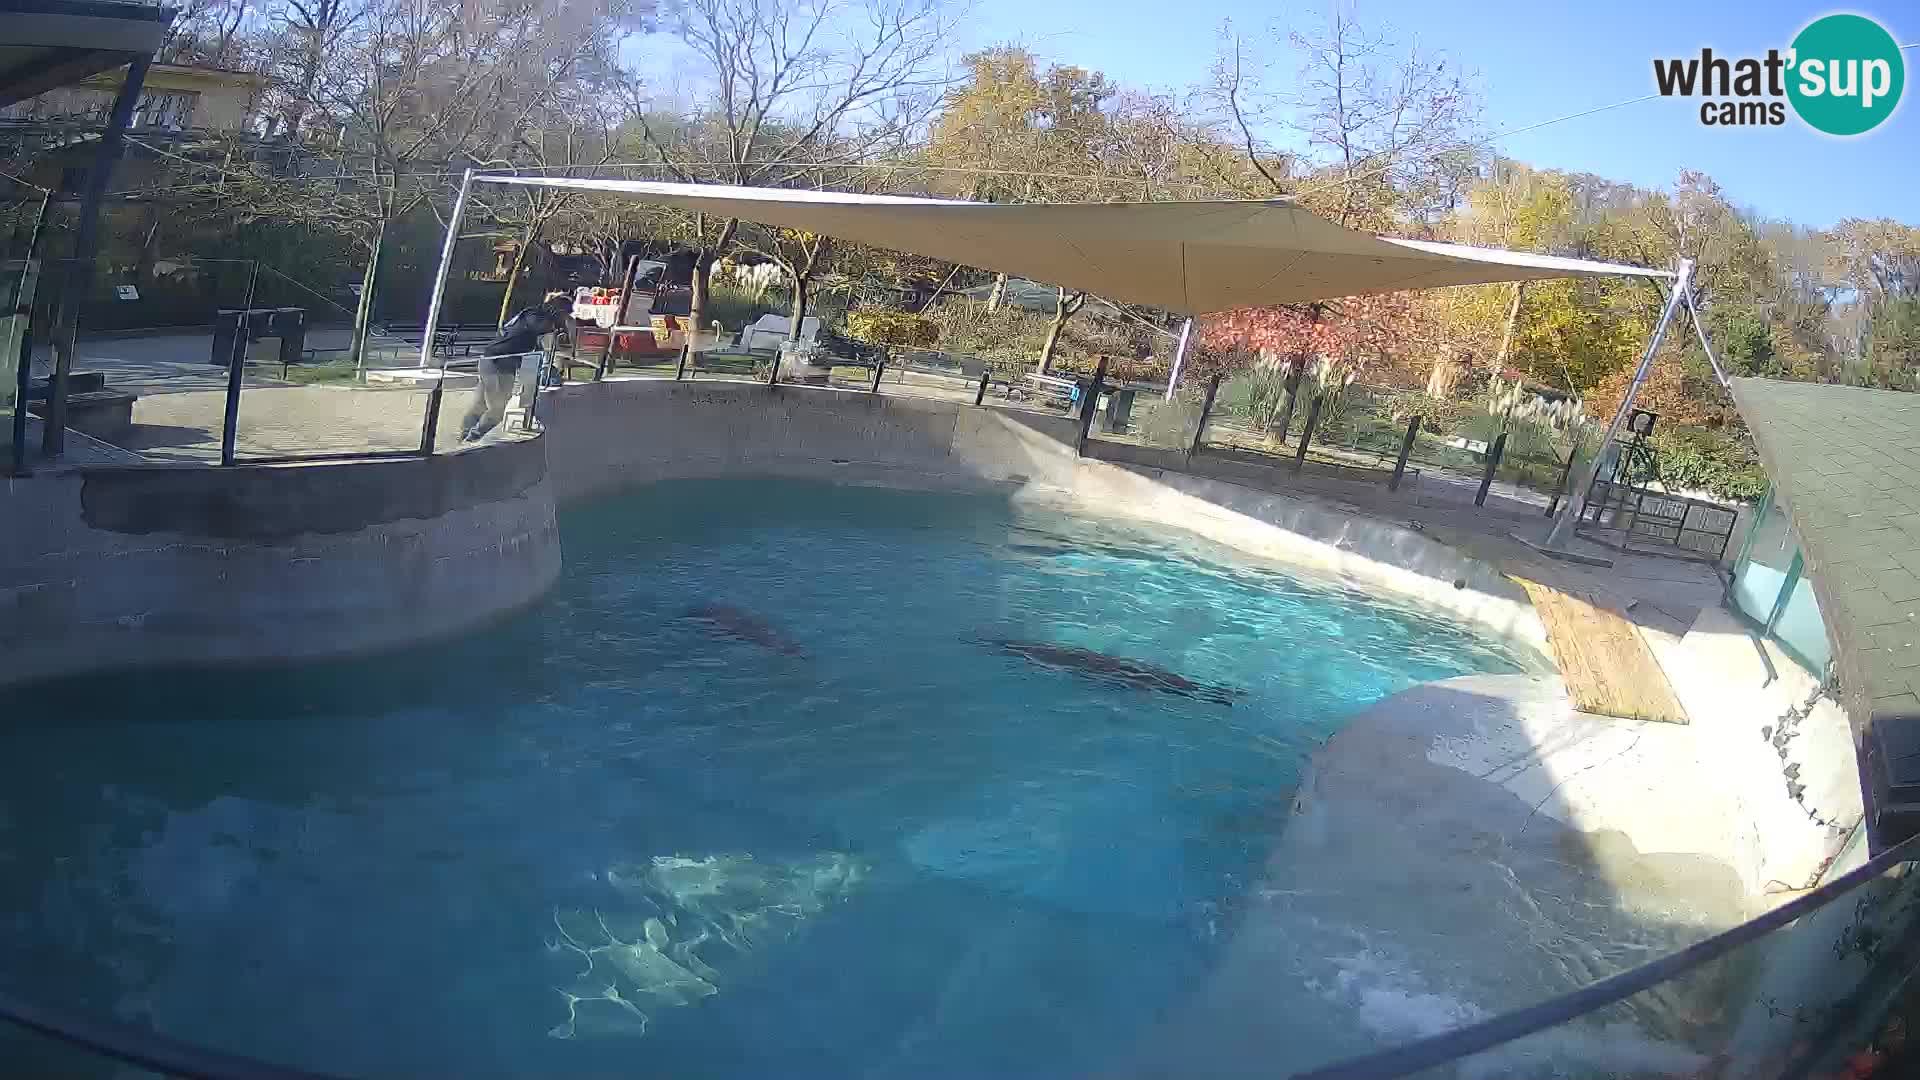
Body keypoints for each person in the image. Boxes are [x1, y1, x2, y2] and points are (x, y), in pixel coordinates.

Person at [461, 291, 570, 442]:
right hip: (501, 365)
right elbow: (550, 343)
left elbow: (536, 345)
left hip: (488, 358)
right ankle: (471, 439)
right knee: (497, 411)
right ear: (560, 311)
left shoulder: (529, 313)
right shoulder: (541, 320)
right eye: (565, 314)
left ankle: (463, 435)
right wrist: (563, 327)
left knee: (480, 405)